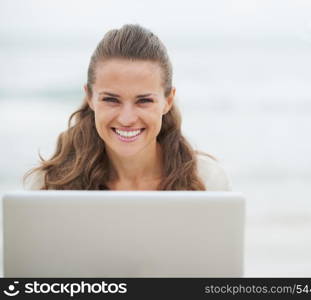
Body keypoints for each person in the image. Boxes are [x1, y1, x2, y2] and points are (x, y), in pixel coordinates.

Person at [24, 24, 232, 191]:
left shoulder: (207, 181)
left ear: (167, 102)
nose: (126, 118)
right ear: (90, 97)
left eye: (144, 101)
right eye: (111, 100)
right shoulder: (48, 185)